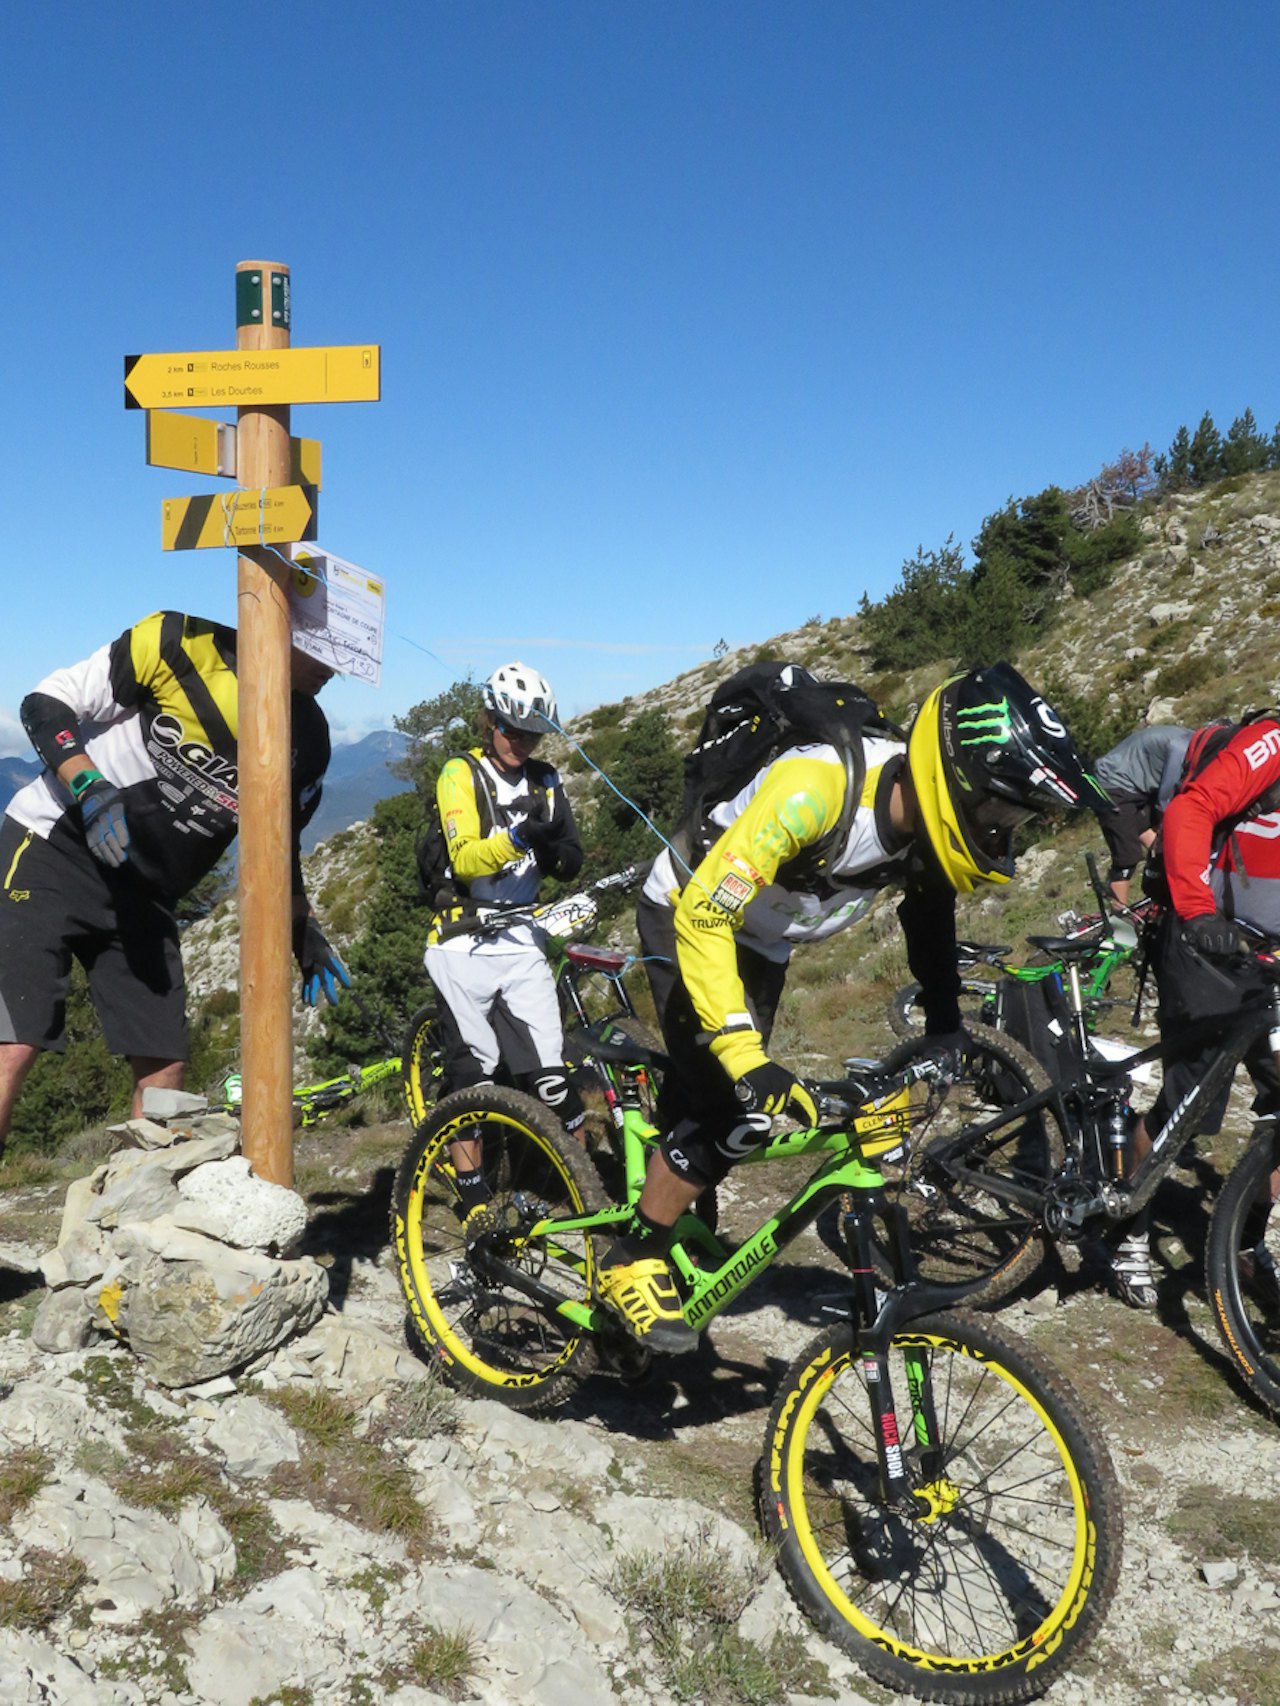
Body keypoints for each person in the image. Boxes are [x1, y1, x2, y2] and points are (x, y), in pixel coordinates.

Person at [597, 661, 1108, 1352]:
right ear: (952, 779)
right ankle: (632, 1255)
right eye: (999, 811)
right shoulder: (815, 788)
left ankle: (670, 1165)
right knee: (730, 1099)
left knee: (715, 1103)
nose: (1000, 832)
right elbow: (705, 918)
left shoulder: (921, 825)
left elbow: (929, 918)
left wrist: (945, 1026)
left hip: (766, 941)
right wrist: (746, 1054)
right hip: (689, 913)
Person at [0, 610, 350, 1155]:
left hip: (146, 892)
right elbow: (44, 705)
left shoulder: (309, 734)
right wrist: (89, 785)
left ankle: (131, 1217)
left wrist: (301, 929)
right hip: (53, 847)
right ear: (286, 629)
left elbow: (281, 844)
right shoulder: (178, 642)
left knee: (164, 1065)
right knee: (13, 1044)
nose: (337, 670)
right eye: (328, 652)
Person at [1109, 713, 1280, 1309]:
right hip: (1213, 945)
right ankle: (1129, 1228)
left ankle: (1243, 1243)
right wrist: (1198, 910)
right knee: (1190, 1103)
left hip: (1273, 955)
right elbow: (1190, 809)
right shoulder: (1273, 744)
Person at [423, 662, 585, 1227]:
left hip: (521, 937)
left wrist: (560, 854)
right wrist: (517, 838)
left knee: (552, 1078)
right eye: (511, 731)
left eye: (532, 733)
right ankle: (470, 1194)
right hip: (462, 941)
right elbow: (465, 856)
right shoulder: (459, 773)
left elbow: (568, 853)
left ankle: (570, 1188)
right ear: (489, 721)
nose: (521, 742)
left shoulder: (546, 779)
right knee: (474, 1076)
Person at [1093, 724, 1193, 902]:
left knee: (1161, 845)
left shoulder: (1192, 743)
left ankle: (1172, 894)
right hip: (1113, 785)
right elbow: (1166, 801)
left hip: (1138, 784)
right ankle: (1119, 918)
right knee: (1127, 858)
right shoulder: (1182, 749)